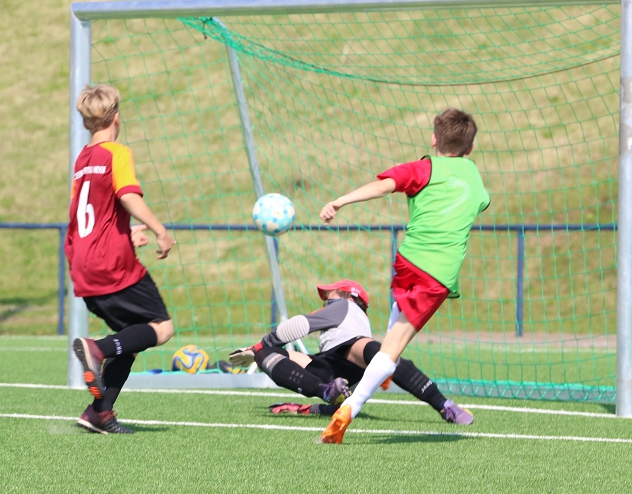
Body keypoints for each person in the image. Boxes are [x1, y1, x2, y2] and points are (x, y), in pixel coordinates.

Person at [319, 108, 489, 444]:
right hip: (436, 274)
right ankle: (350, 408)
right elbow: (482, 202)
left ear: (433, 139)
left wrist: (339, 202)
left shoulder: (423, 168)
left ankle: (382, 373)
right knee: (392, 350)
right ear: (470, 149)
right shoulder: (475, 179)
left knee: (392, 339)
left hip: (407, 260)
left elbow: (384, 187)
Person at [66, 84, 176, 435]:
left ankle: (100, 412)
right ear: (115, 116)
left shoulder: (83, 159)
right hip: (111, 262)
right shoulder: (117, 152)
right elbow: (127, 195)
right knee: (161, 328)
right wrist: (160, 230)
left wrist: (126, 233)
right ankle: (95, 350)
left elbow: (86, 216)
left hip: (82, 262)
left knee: (130, 338)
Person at [228, 280, 473, 424]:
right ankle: (327, 393)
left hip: (349, 350)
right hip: (334, 366)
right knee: (383, 354)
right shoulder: (349, 312)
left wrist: (263, 345)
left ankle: (443, 404)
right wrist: (258, 353)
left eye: (329, 294)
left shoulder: (345, 305)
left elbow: (300, 325)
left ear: (348, 295)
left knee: (380, 352)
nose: (325, 299)